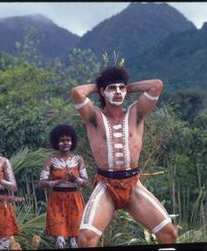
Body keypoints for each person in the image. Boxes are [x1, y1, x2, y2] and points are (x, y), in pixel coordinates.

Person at [70, 65, 178, 247]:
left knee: (169, 235)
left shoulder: (136, 113)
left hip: (133, 184)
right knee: (86, 239)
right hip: (106, 186)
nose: (118, 92)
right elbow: (77, 93)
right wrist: (101, 86)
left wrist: (126, 88)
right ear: (103, 92)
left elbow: (156, 85)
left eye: (121, 88)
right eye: (112, 89)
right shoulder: (95, 117)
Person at [39, 124, 89, 249]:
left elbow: (86, 183)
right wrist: (58, 181)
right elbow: (41, 183)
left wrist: (75, 179)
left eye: (68, 140)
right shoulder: (51, 160)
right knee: (60, 240)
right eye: (62, 140)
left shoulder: (78, 160)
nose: (65, 143)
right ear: (57, 142)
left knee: (74, 241)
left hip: (74, 199)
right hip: (57, 200)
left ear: (72, 141)